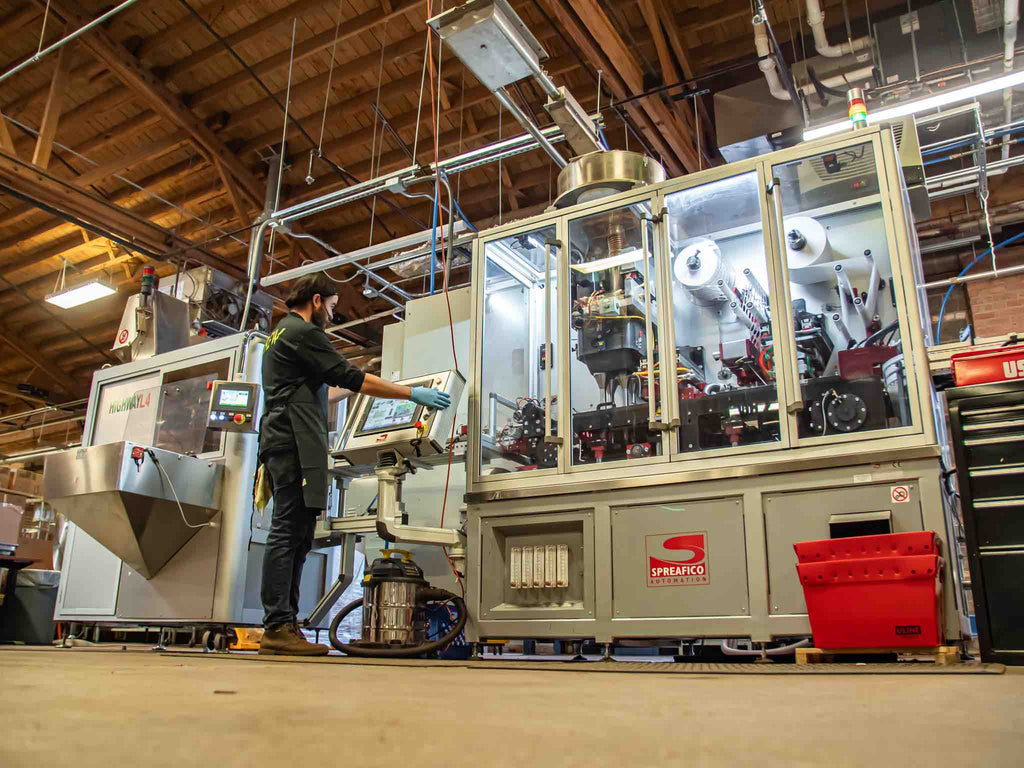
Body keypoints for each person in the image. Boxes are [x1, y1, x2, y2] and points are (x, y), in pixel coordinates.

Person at [257, 273, 451, 656]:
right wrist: (412, 393)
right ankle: (277, 626)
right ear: (316, 300)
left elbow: (326, 389)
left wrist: (372, 384)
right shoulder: (303, 333)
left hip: (284, 441)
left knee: (295, 535)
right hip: (294, 443)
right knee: (289, 534)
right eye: (330, 307)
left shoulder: (280, 334)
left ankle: (283, 623)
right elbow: (350, 376)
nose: (331, 314)